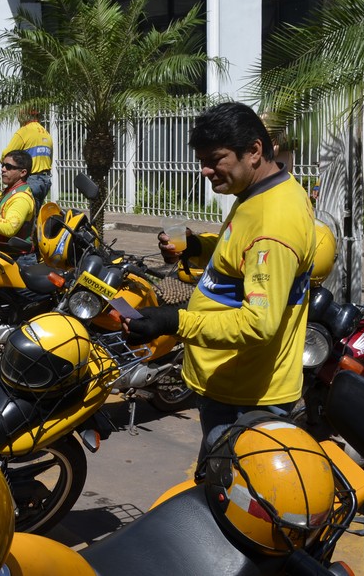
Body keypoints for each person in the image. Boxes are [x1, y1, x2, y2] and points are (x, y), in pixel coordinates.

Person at [123, 102, 315, 463]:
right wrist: (197, 247)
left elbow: (259, 324)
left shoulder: (274, 223)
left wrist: (174, 322)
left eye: (216, 159)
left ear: (255, 151)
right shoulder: (261, 194)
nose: (205, 170)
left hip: (246, 399)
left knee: (230, 503)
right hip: (230, 385)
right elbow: (240, 258)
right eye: (202, 160)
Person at [2, 109, 54, 205]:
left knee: (26, 214)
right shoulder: (46, 133)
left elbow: (6, 154)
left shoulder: (24, 131)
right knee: (35, 214)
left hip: (31, 180)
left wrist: (4, 164)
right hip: (45, 180)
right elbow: (50, 158)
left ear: (24, 116)